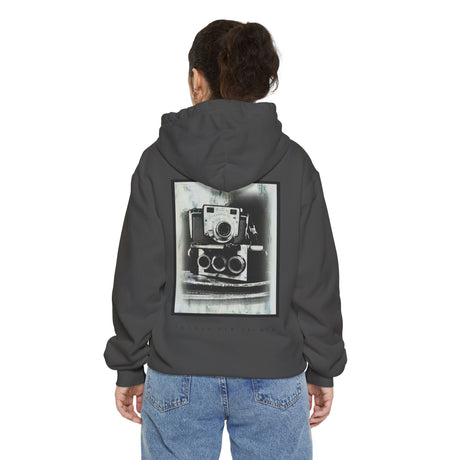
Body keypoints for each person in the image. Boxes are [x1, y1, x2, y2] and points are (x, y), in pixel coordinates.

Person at [103, 19, 347, 460]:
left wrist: (128, 363)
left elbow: (138, 275)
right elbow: (316, 278)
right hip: (274, 370)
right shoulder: (295, 164)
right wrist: (324, 364)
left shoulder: (157, 163)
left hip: (178, 371)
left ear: (197, 81)